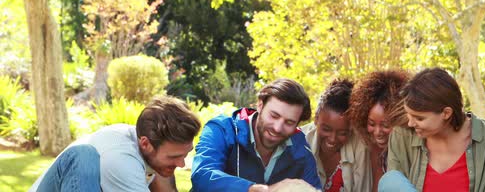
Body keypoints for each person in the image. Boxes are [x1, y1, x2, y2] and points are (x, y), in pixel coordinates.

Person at [30, 96, 201, 192]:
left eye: (184, 154)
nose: (181, 164)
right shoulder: (120, 158)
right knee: (82, 155)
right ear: (145, 144)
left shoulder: (151, 150)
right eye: (174, 157)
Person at [380, 68, 485, 192]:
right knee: (389, 180)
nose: (410, 123)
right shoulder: (403, 135)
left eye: (419, 118)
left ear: (446, 113)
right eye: (408, 114)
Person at [191, 78, 322, 192]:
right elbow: (202, 176)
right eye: (274, 116)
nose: (277, 128)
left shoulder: (302, 151)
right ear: (260, 105)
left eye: (289, 122)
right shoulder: (221, 130)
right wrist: (254, 190)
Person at [301, 78, 370, 192]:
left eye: (342, 133)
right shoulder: (300, 139)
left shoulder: (360, 147)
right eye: (326, 129)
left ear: (351, 128)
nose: (332, 139)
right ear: (316, 119)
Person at [347, 70, 410, 192]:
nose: (377, 132)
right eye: (371, 124)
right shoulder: (368, 147)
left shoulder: (409, 148)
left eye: (385, 125)